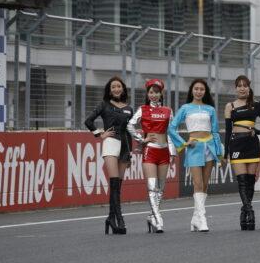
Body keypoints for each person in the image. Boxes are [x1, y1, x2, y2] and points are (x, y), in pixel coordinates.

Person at [168, 79, 223, 232]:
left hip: (209, 147)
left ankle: (195, 218)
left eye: (202, 89)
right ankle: (202, 219)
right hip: (194, 148)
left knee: (204, 185)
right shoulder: (185, 108)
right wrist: (184, 143)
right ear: (192, 90)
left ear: (205, 92)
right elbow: (171, 128)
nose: (199, 91)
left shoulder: (210, 109)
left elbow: (215, 132)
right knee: (197, 184)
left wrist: (219, 153)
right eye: (196, 89)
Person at [85, 76, 135, 234]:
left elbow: (129, 131)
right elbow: (88, 121)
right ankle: (120, 219)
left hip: (125, 146)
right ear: (109, 90)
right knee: (113, 183)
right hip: (111, 144)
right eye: (113, 87)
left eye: (119, 86)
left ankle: (110, 218)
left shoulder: (129, 108)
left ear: (123, 89)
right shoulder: (104, 105)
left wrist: (130, 154)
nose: (116, 89)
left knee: (117, 186)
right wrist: (100, 134)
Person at [224, 75, 260, 231]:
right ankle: (250, 211)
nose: (242, 88)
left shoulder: (256, 104)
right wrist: (226, 152)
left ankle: (244, 211)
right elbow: (228, 131)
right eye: (239, 86)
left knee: (250, 181)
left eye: (245, 86)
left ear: (249, 88)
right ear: (235, 88)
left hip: (252, 144)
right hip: (236, 145)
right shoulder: (230, 106)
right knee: (242, 181)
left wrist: (257, 131)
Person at [127, 79, 173, 233]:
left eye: (157, 92)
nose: (154, 95)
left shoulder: (168, 111)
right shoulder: (143, 109)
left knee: (161, 189)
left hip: (164, 151)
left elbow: (171, 132)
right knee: (152, 187)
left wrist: (172, 151)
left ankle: (152, 216)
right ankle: (158, 220)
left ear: (161, 94)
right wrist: (142, 139)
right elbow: (129, 125)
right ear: (147, 94)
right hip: (150, 151)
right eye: (151, 92)